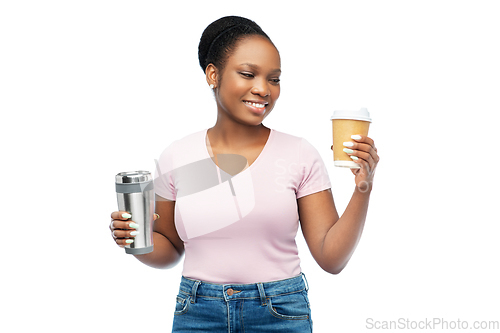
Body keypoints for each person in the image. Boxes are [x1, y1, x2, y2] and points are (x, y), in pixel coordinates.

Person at [109, 16, 379, 332]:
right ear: (213, 74)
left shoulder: (299, 155)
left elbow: (331, 259)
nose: (263, 89)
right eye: (248, 74)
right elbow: (170, 248)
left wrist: (364, 186)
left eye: (274, 79)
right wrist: (134, 241)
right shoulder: (178, 156)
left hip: (280, 312)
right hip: (198, 312)